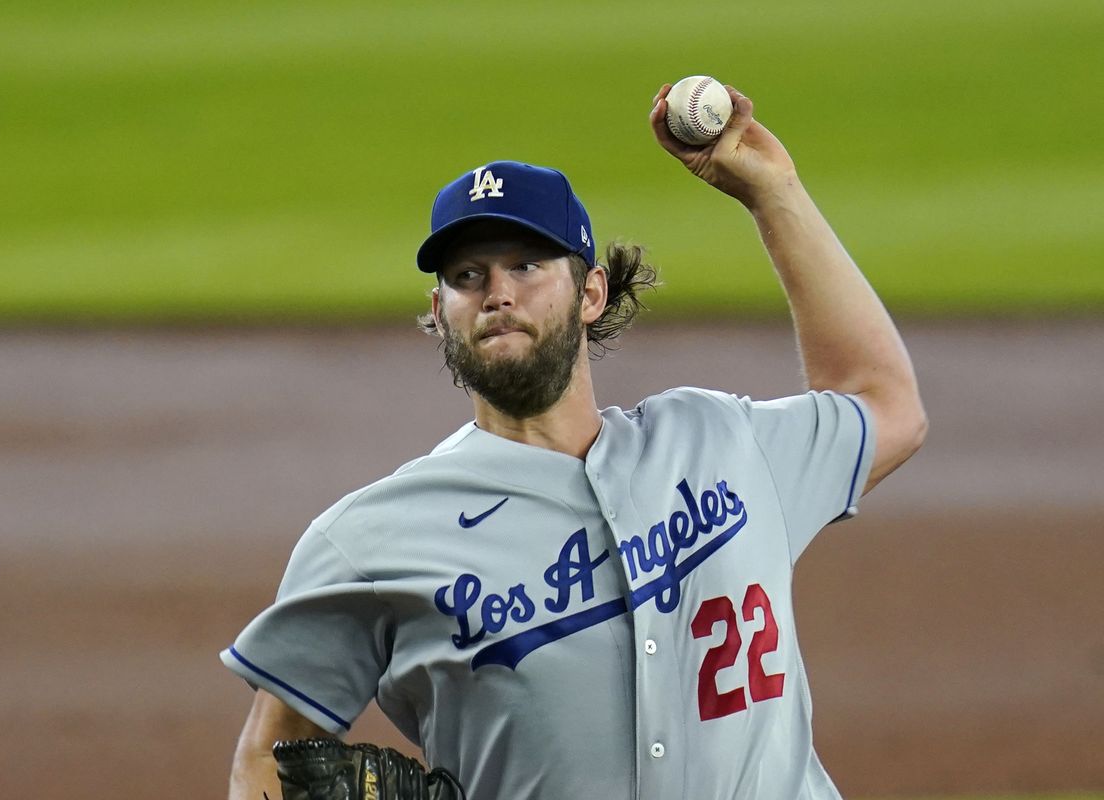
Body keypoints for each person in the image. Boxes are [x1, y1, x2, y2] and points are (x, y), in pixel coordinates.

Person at [222, 83, 927, 799]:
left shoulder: (720, 441)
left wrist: (774, 195)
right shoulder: (369, 543)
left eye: (526, 266)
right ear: (440, 314)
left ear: (591, 292)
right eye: (468, 276)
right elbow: (268, 755)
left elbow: (886, 404)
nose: (498, 292)